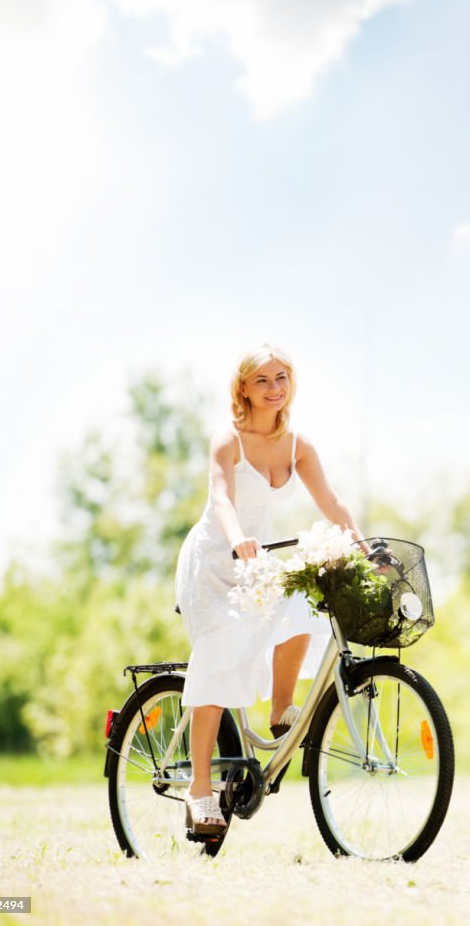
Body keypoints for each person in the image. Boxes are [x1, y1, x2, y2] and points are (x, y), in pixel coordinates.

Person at [174, 343, 366, 836]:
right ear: (243, 388)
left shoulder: (297, 443)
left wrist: (365, 548)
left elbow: (331, 501)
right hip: (216, 561)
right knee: (218, 661)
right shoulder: (228, 438)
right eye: (262, 380)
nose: (274, 388)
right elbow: (221, 494)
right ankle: (199, 792)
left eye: (281, 377)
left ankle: (281, 710)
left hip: (255, 562)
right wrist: (237, 538)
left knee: (304, 605)